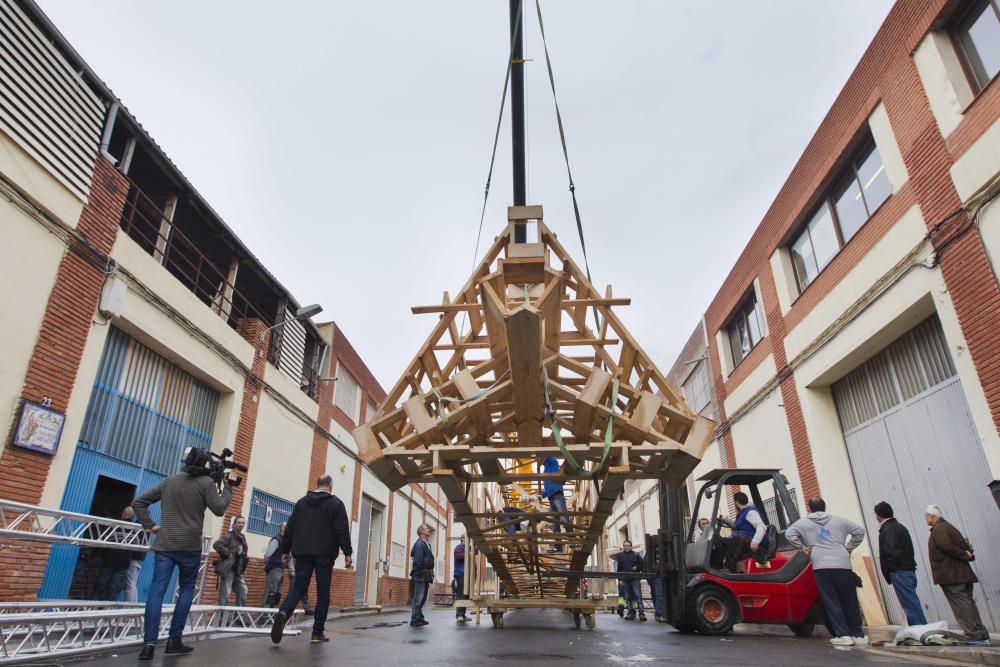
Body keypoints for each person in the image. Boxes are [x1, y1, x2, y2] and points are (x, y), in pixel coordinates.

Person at [132, 450, 236, 660]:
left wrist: (151, 526)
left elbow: (139, 503)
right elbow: (219, 509)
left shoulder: (169, 482)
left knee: (156, 591)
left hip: (165, 544)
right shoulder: (206, 483)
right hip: (189, 546)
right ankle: (174, 640)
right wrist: (228, 488)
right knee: (187, 588)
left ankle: (149, 645)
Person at [270, 475, 353, 644]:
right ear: (330, 485)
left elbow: (290, 528)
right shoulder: (336, 504)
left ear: (317, 485)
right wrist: (347, 553)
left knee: (299, 587)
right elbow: (341, 530)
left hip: (302, 553)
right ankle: (317, 632)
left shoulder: (302, 503)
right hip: (325, 554)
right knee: (323, 593)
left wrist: (285, 550)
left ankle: (284, 612)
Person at [785, 497, 866, 647]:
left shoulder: (803, 523)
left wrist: (803, 548)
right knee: (850, 599)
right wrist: (849, 547)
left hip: (821, 564)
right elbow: (859, 531)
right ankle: (857, 634)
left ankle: (842, 634)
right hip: (842, 563)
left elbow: (789, 534)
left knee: (831, 600)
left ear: (810, 508)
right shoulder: (839, 520)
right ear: (824, 506)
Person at [925, 505, 990, 641]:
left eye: (926, 516)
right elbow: (964, 546)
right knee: (968, 602)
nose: (925, 519)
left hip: (952, 576)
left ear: (932, 516)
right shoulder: (948, 527)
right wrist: (967, 554)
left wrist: (965, 555)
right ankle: (980, 632)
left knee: (961, 605)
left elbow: (946, 546)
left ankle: (973, 633)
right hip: (960, 574)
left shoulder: (939, 529)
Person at [874, 502, 927, 626]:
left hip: (899, 572)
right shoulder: (899, 526)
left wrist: (890, 570)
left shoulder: (889, 529)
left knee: (910, 604)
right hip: (907, 570)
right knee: (910, 602)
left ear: (879, 515)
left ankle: (922, 630)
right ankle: (917, 629)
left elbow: (893, 552)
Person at [718, 492, 767, 572]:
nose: (734, 504)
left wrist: (756, 541)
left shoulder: (750, 512)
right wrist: (723, 520)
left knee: (737, 538)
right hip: (744, 540)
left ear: (737, 502)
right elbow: (735, 525)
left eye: (734, 502)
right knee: (721, 541)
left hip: (753, 543)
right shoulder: (742, 514)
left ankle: (730, 567)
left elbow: (761, 526)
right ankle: (719, 566)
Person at [214, 515, 249, 607]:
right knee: (225, 592)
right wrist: (228, 554)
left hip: (238, 569)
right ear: (234, 524)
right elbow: (217, 544)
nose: (241, 525)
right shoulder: (229, 535)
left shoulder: (242, 537)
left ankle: (238, 617)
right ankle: (221, 618)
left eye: (242, 523)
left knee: (243, 590)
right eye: (238, 523)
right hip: (229, 568)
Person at [541, 457, 573, 552]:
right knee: (555, 524)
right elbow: (548, 489)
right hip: (551, 498)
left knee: (563, 518)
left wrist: (544, 453)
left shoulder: (552, 465)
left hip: (558, 495)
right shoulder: (546, 473)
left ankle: (572, 540)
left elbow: (552, 460)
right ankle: (558, 547)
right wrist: (542, 495)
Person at [409, 524, 436, 627]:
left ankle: (419, 617)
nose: (428, 529)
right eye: (426, 529)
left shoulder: (426, 544)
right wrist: (420, 573)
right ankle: (414, 619)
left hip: (426, 575)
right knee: (418, 597)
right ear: (422, 532)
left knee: (423, 597)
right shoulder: (420, 544)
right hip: (421, 575)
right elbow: (418, 561)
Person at [121, 506, 146, 603]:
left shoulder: (139, 524)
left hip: (135, 556)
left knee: (130, 584)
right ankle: (133, 606)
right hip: (140, 556)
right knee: (133, 583)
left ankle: (128, 607)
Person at [616, 541, 646, 621]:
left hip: (635, 579)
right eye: (625, 545)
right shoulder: (621, 556)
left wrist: (637, 568)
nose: (626, 547)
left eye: (628, 545)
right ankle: (630, 613)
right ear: (623, 547)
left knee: (638, 596)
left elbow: (643, 565)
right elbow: (619, 569)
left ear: (631, 546)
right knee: (628, 597)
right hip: (625, 580)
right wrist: (620, 579)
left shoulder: (636, 555)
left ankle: (642, 613)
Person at [263, 522, 287, 607]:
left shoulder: (285, 540)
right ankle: (265, 614)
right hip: (274, 568)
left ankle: (272, 613)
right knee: (270, 590)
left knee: (278, 592)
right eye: (284, 527)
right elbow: (267, 555)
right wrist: (269, 564)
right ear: (280, 527)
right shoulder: (276, 539)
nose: (286, 529)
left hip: (280, 569)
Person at [453, 535, 470, 623]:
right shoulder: (459, 547)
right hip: (461, 574)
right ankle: (459, 615)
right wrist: (468, 552)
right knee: (461, 594)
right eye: (467, 537)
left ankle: (463, 614)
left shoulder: (469, 547)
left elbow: (476, 551)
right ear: (463, 539)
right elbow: (459, 557)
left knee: (466, 595)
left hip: (467, 575)